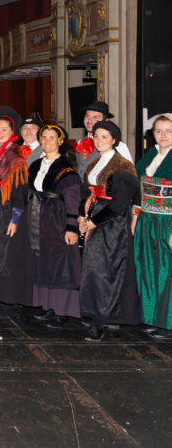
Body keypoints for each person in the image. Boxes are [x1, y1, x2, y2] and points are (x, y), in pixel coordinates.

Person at [78, 120, 139, 341]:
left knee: (102, 271)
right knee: (95, 269)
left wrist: (95, 221)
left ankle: (99, 319)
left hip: (112, 225)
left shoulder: (123, 166)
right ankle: (102, 314)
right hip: (94, 218)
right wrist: (81, 216)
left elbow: (120, 203)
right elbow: (85, 192)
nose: (99, 140)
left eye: (104, 136)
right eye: (96, 136)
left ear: (114, 139)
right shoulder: (94, 163)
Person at [0, 106, 32, 318]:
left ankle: (9, 303)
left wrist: (15, 218)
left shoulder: (15, 156)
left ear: (13, 131)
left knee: (6, 254)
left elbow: (20, 190)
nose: (0, 133)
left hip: (6, 210)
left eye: (4, 129)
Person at [28, 124, 82, 328]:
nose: (47, 141)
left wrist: (70, 228)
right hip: (38, 219)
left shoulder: (66, 169)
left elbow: (72, 200)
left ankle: (62, 311)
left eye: (52, 138)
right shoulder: (35, 166)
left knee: (61, 264)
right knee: (44, 261)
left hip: (57, 220)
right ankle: (48, 306)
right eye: (44, 137)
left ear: (60, 141)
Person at [134, 113, 172, 339]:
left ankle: (168, 322)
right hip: (148, 220)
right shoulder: (150, 155)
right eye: (158, 131)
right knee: (150, 270)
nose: (163, 135)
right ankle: (154, 318)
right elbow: (139, 190)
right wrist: (135, 216)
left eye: (168, 131)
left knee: (168, 273)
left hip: (168, 221)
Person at [74, 101, 133, 181]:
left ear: (106, 120)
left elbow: (129, 177)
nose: (90, 120)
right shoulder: (80, 141)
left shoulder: (119, 145)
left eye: (96, 117)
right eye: (87, 116)